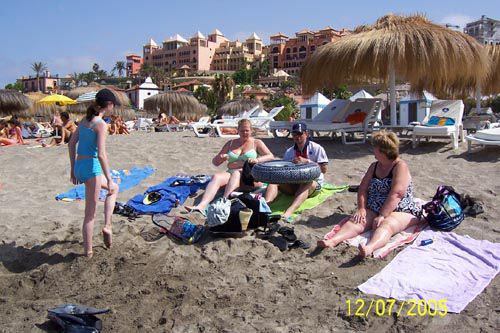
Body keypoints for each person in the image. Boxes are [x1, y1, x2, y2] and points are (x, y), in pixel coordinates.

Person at [317, 130, 422, 258]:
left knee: (386, 224)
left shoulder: (400, 166)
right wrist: (361, 208)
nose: (373, 151)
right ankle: (332, 241)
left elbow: (397, 194)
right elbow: (362, 189)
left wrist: (382, 215)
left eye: (375, 148)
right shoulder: (374, 166)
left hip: (399, 207)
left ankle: (369, 247)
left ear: (383, 151)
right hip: (375, 206)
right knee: (357, 220)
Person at [68, 88, 119, 258]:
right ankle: (88, 253)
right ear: (109, 104)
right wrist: (109, 178)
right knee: (89, 215)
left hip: (79, 166)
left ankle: (107, 226)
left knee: (114, 189)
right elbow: (101, 155)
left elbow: (71, 144)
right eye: (113, 105)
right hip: (92, 168)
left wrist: (73, 169)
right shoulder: (101, 124)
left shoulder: (84, 120)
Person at [185, 118, 274, 213]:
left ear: (251, 130)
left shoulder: (256, 143)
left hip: (249, 177)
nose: (244, 133)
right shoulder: (231, 143)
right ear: (238, 131)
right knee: (217, 176)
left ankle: (224, 202)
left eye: (247, 130)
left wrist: (257, 160)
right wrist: (221, 158)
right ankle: (201, 205)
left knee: (236, 173)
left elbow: (270, 156)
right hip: (231, 174)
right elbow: (215, 162)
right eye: (242, 130)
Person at [265, 122, 328, 222]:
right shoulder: (290, 152)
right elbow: (284, 171)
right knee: (274, 180)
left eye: (300, 134)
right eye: (295, 134)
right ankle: (266, 205)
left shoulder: (316, 148)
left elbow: (324, 169)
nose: (297, 137)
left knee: (308, 182)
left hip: (313, 183)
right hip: (294, 183)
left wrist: (308, 162)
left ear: (306, 134)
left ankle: (289, 211)